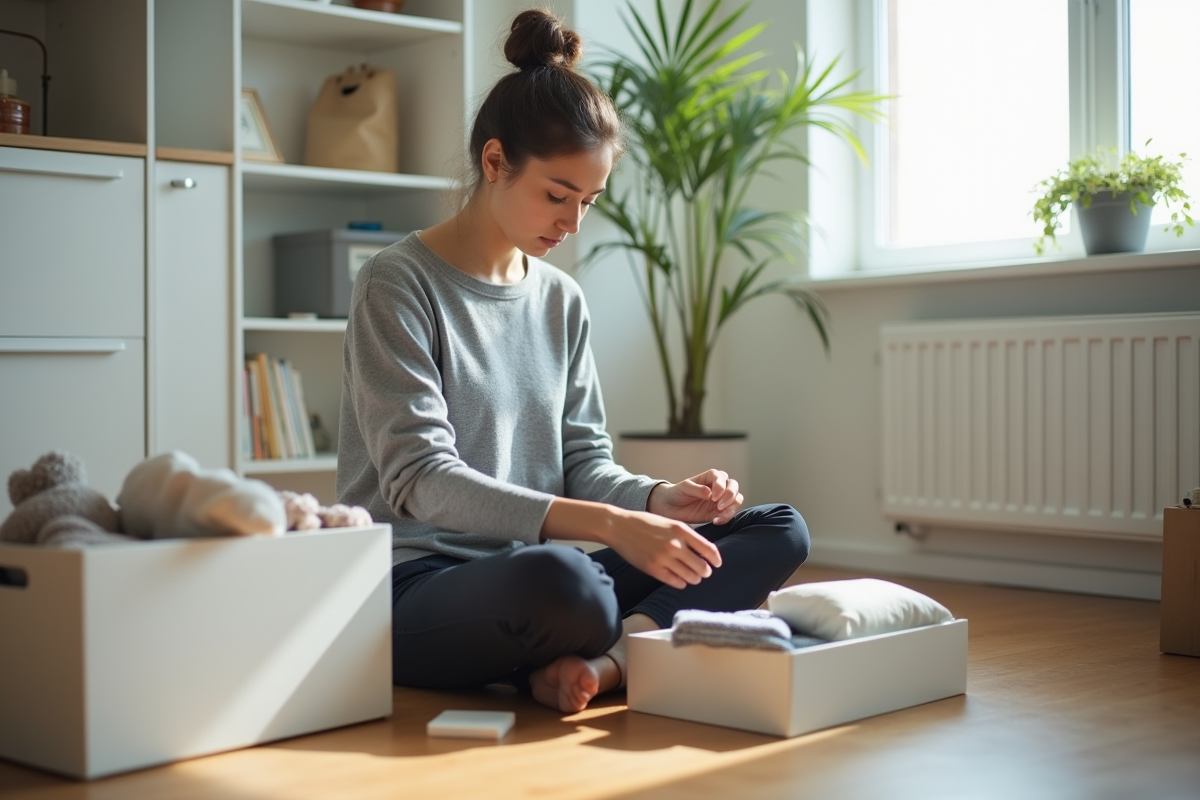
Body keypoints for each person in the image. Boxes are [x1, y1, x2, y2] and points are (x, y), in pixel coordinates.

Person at [336, 9, 810, 714]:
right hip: (417, 585)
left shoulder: (561, 299)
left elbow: (585, 461)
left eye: (588, 201)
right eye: (557, 195)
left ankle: (607, 665)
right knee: (568, 585)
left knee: (776, 529)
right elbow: (421, 483)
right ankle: (585, 646)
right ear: (494, 162)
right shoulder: (396, 283)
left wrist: (659, 501)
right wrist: (613, 527)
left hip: (537, 571)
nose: (572, 222)